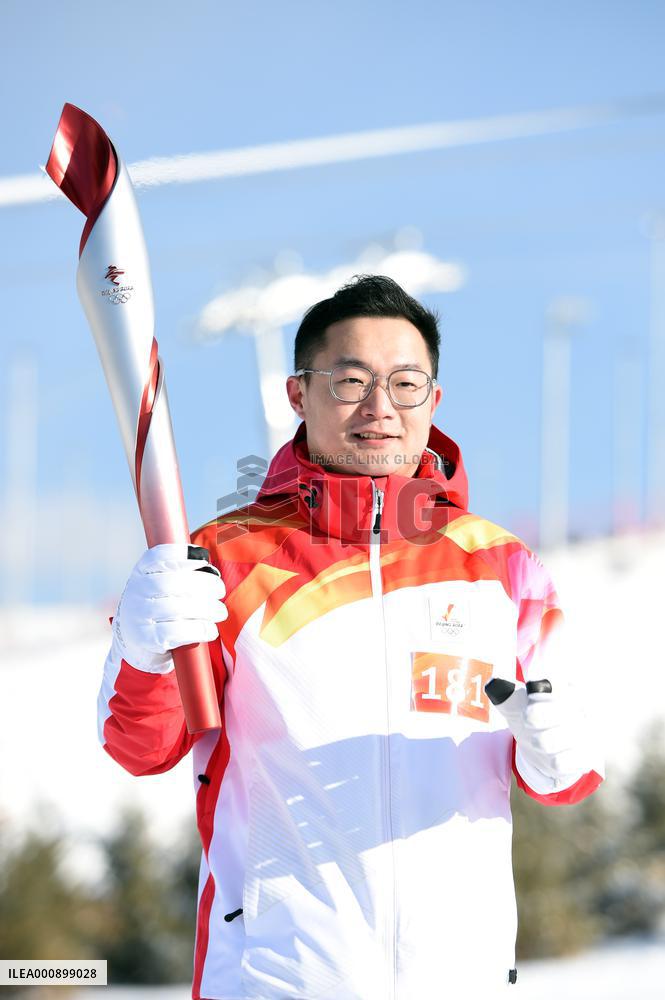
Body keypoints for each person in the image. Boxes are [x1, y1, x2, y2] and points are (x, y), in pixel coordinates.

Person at [98, 275, 604, 1000]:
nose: (379, 409)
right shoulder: (221, 562)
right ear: (297, 395)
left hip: (463, 982)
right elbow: (139, 749)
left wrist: (558, 750)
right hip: (276, 979)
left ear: (433, 400)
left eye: (404, 383)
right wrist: (144, 650)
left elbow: (569, 778)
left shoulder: (501, 567)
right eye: (349, 381)